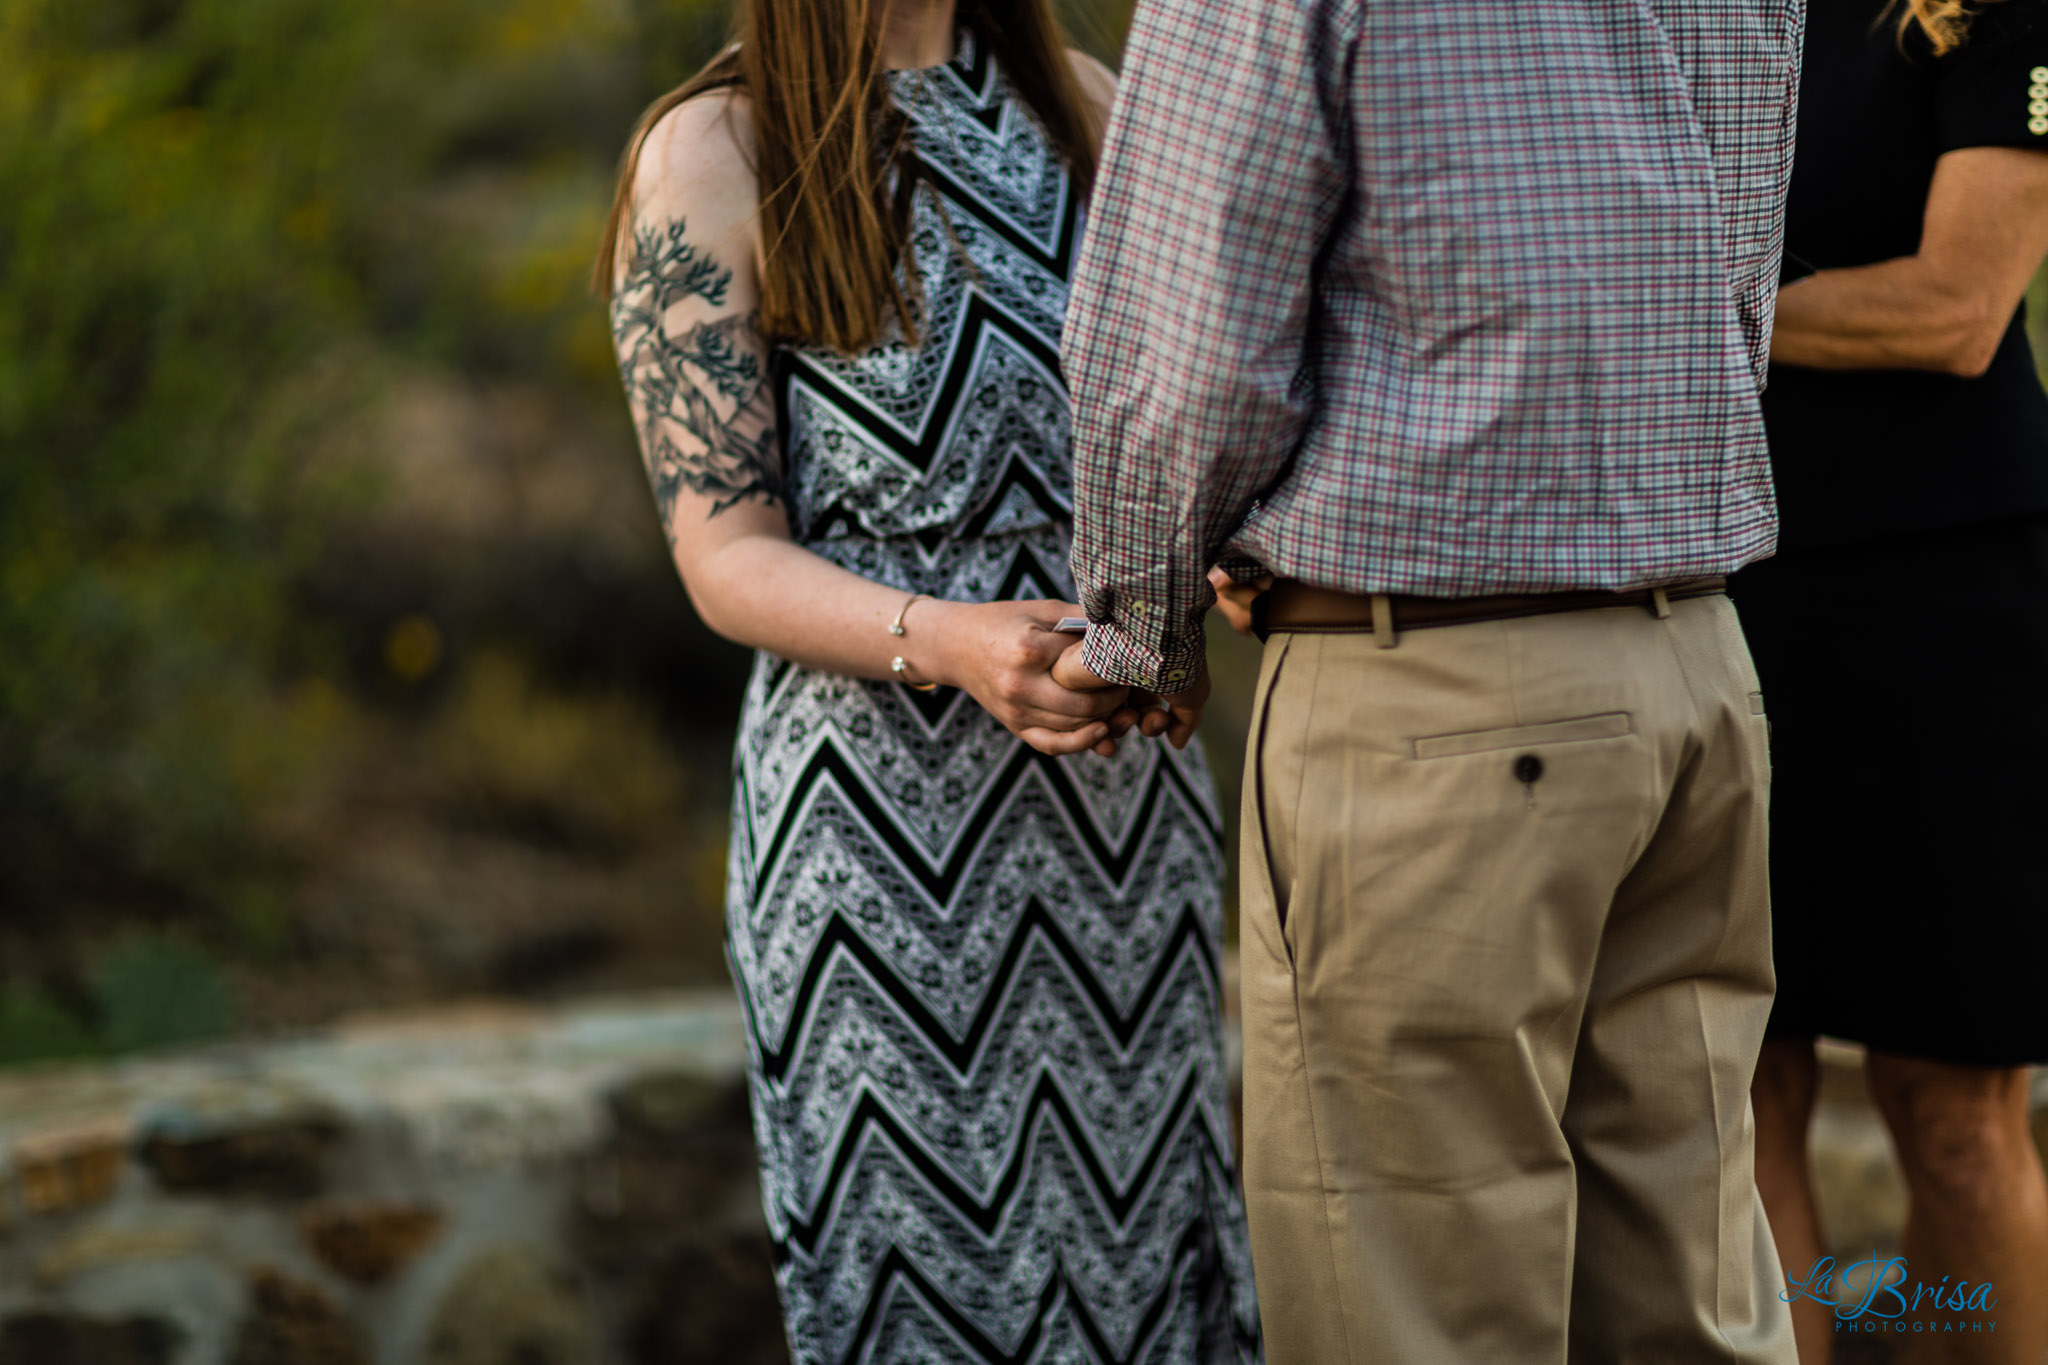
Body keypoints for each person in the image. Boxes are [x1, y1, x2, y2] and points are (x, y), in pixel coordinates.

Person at [1053, 0, 1807, 1360]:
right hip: (1694, 667)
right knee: (1690, 1309)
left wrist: (1140, 623)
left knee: (1407, 1314)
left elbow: (1190, 355)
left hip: (1434, 703)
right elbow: (1733, 277)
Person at [597, 0, 1261, 1359]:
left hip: (1124, 832)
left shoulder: (1082, 98)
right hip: (881, 860)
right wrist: (955, 641)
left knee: (1147, 1287)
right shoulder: (712, 152)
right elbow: (726, 557)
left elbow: (1196, 413)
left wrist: (1205, 569)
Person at [1733, 0, 2048, 1359]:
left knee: (1956, 1117)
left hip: (1946, 605)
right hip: (1726, 582)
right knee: (1738, 1091)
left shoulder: (1998, 10)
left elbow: (1959, 309)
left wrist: (1684, 311)